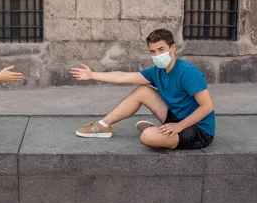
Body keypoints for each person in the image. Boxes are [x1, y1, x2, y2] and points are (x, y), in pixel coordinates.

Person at [70, 28, 215, 150]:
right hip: (175, 117)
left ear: (172, 48)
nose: (157, 55)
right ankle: (102, 126)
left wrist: (179, 126)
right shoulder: (157, 71)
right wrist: (91, 75)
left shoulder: (188, 72)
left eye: (161, 49)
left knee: (147, 137)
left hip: (199, 129)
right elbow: (123, 76)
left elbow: (207, 107)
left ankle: (153, 130)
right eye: (153, 51)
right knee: (142, 91)